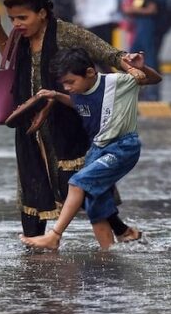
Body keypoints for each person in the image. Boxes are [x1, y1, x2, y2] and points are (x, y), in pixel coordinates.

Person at [0, 0, 145, 241]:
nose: (16, 24)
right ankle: (34, 243)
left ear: (42, 13)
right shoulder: (18, 36)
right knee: (31, 178)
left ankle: (117, 235)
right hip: (31, 121)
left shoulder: (65, 33)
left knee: (82, 181)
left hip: (65, 118)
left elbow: (104, 51)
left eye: (22, 18)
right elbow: (10, 58)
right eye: (12, 18)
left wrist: (127, 61)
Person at [19, 47, 162, 250]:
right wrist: (57, 95)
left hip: (122, 147)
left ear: (89, 72)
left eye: (70, 82)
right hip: (97, 149)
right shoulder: (78, 90)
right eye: (64, 84)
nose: (68, 87)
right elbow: (80, 105)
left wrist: (142, 68)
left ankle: (54, 235)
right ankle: (108, 253)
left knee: (77, 183)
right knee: (95, 204)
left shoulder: (117, 82)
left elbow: (155, 79)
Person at [122, 0, 159, 101]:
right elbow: (128, 9)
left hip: (147, 25)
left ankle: (151, 76)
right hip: (139, 26)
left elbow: (152, 10)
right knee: (135, 50)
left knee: (148, 51)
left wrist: (134, 10)